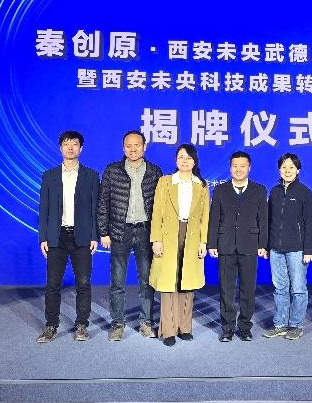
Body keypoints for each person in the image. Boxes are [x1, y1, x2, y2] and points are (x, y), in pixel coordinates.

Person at [97, 130, 163, 341]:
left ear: (144, 147)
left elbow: (160, 207)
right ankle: (118, 323)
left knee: (146, 280)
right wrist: (103, 232)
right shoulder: (112, 171)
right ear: (123, 148)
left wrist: (158, 235)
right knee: (117, 281)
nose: (133, 149)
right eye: (129, 146)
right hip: (119, 231)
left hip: (145, 231)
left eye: (137, 145)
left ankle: (146, 323)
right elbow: (103, 202)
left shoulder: (155, 172)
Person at [36, 130, 100, 343]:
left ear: (81, 148)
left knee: (83, 283)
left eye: (74, 144)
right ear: (60, 148)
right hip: (57, 237)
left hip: (82, 237)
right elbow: (43, 209)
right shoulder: (49, 176)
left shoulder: (91, 176)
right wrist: (43, 237)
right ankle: (51, 325)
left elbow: (95, 208)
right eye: (66, 144)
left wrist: (94, 236)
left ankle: (81, 325)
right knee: (53, 284)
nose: (70, 147)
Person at [149, 144, 210, 347]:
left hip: (192, 237)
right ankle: (167, 330)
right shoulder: (165, 181)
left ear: (195, 161)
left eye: (189, 158)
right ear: (176, 160)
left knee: (187, 282)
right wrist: (156, 239)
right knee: (169, 283)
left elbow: (205, 217)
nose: (185, 161)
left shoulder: (201, 185)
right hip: (168, 236)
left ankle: (184, 328)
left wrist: (203, 241)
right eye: (181, 157)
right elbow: (157, 212)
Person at [208, 151, 269, 342]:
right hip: (225, 244)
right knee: (226, 289)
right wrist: (212, 243)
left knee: (248, 289)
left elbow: (263, 220)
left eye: (243, 166)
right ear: (230, 168)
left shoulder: (259, 190)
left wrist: (263, 244)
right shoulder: (220, 190)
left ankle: (244, 327)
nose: (239, 169)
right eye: (235, 166)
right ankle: (227, 327)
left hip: (250, 245)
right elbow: (214, 218)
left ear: (249, 168)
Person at [263, 153, 312, 341]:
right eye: (284, 167)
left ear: (298, 170)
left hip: (297, 249)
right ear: (279, 170)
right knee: (280, 288)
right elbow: (269, 220)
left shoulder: (304, 192)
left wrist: (308, 249)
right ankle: (280, 324)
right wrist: (266, 246)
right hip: (276, 249)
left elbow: (309, 222)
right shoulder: (274, 192)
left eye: (291, 167)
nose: (287, 171)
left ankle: (296, 325)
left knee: (298, 289)